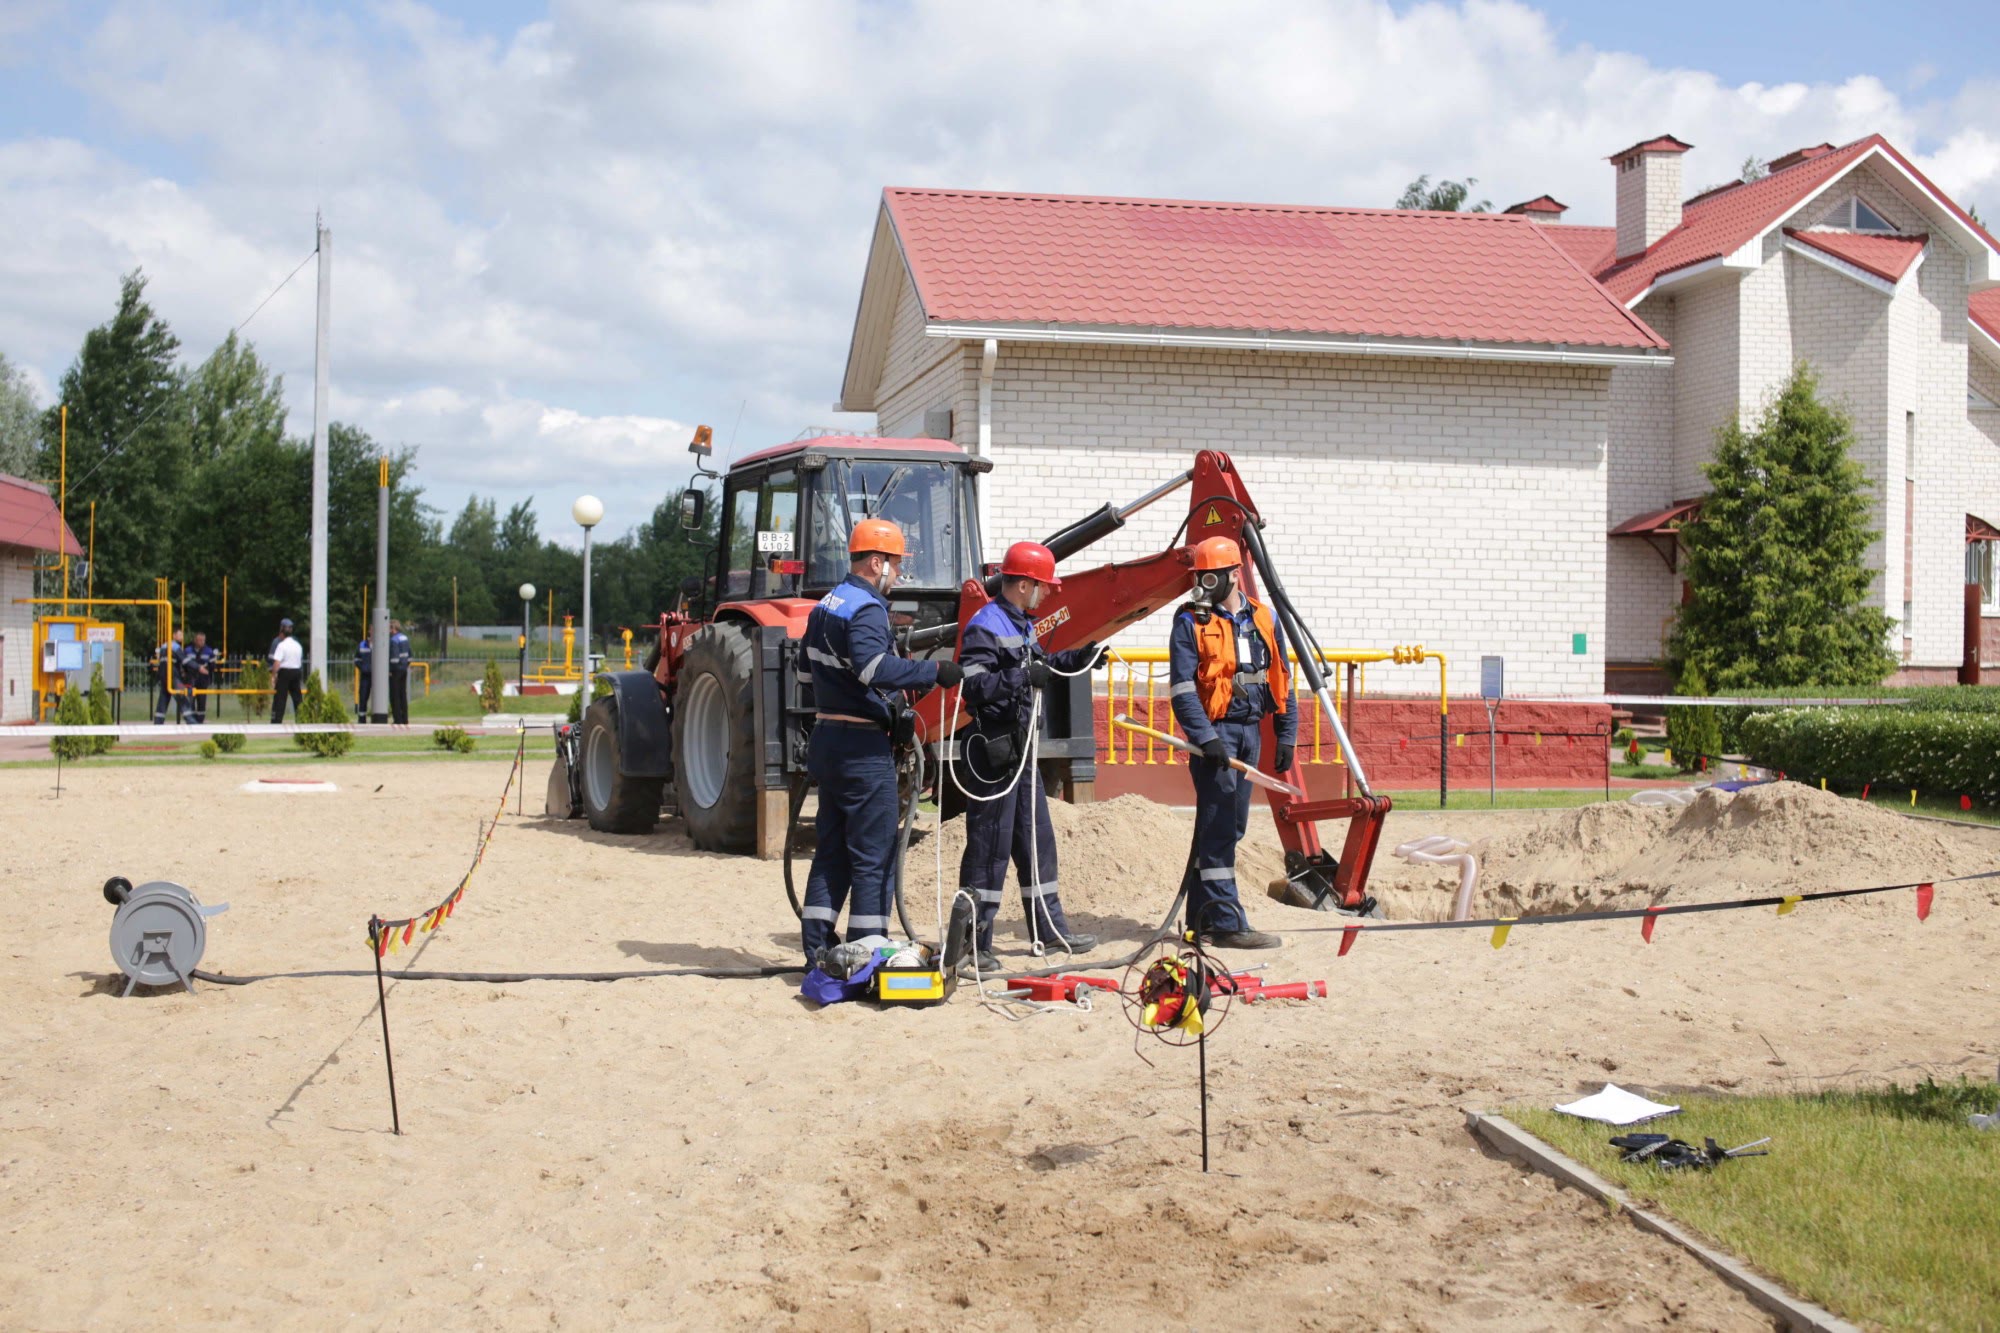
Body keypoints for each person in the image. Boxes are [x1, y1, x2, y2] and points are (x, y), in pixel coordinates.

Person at [798, 518, 963, 965]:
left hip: (829, 740)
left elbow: (803, 675)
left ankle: (817, 948)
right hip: (861, 747)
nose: (898, 573)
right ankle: (867, 952)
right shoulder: (867, 609)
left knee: (831, 848)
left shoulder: (826, 605)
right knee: (874, 853)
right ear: (877, 562)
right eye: (895, 564)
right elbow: (874, 669)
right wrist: (933, 672)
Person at [952, 540, 1107, 972]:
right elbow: (976, 685)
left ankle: (1050, 931)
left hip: (1022, 751)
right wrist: (1023, 676)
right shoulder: (986, 624)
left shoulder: (1021, 622)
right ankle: (972, 944)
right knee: (989, 849)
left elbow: (1041, 664)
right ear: (1023, 584)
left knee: (1037, 841)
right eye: (1043, 586)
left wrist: (1080, 657)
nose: (1048, 593)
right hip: (995, 753)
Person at [1167, 536, 1297, 949]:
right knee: (1221, 827)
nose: (1202, 584)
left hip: (1250, 732)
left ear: (1234, 574)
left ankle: (1200, 921)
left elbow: (1282, 679)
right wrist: (1206, 738)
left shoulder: (1264, 619)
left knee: (1229, 827)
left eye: (1210, 576)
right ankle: (1225, 922)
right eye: (1198, 577)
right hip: (1217, 736)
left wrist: (1287, 732)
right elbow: (1183, 690)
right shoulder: (1189, 622)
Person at [269, 618, 304, 723]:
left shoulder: (281, 645)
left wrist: (273, 676)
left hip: (285, 672)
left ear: (281, 631)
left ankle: (276, 721)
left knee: (280, 698)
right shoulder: (298, 645)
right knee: (297, 697)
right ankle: (301, 719)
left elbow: (277, 663)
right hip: (296, 671)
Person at [152, 629, 186, 724]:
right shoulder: (175, 647)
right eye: (180, 635)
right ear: (174, 635)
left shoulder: (164, 646)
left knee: (163, 699)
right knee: (183, 699)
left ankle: (158, 722)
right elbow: (183, 661)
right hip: (174, 677)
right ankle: (191, 720)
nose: (182, 637)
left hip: (164, 676)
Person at [183, 631, 217, 724]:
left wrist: (209, 673)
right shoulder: (187, 650)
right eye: (199, 640)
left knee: (202, 700)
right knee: (191, 699)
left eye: (203, 640)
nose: (201, 642)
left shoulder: (209, 651)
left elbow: (212, 666)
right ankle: (192, 720)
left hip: (203, 679)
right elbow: (184, 664)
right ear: (195, 640)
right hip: (191, 677)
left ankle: (200, 720)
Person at [387, 620, 412, 724]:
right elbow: (409, 655)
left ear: (393, 629)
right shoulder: (405, 638)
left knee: (395, 695)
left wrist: (390, 670)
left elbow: (394, 658)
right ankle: (405, 718)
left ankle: (397, 719)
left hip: (396, 670)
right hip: (404, 669)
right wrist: (405, 665)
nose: (388, 631)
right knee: (403, 694)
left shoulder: (393, 640)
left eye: (389, 628)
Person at [353, 631, 373, 719]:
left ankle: (376, 717)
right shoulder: (362, 645)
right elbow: (357, 659)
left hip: (377, 676)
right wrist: (363, 668)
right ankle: (362, 718)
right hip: (365, 675)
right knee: (363, 696)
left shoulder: (381, 644)